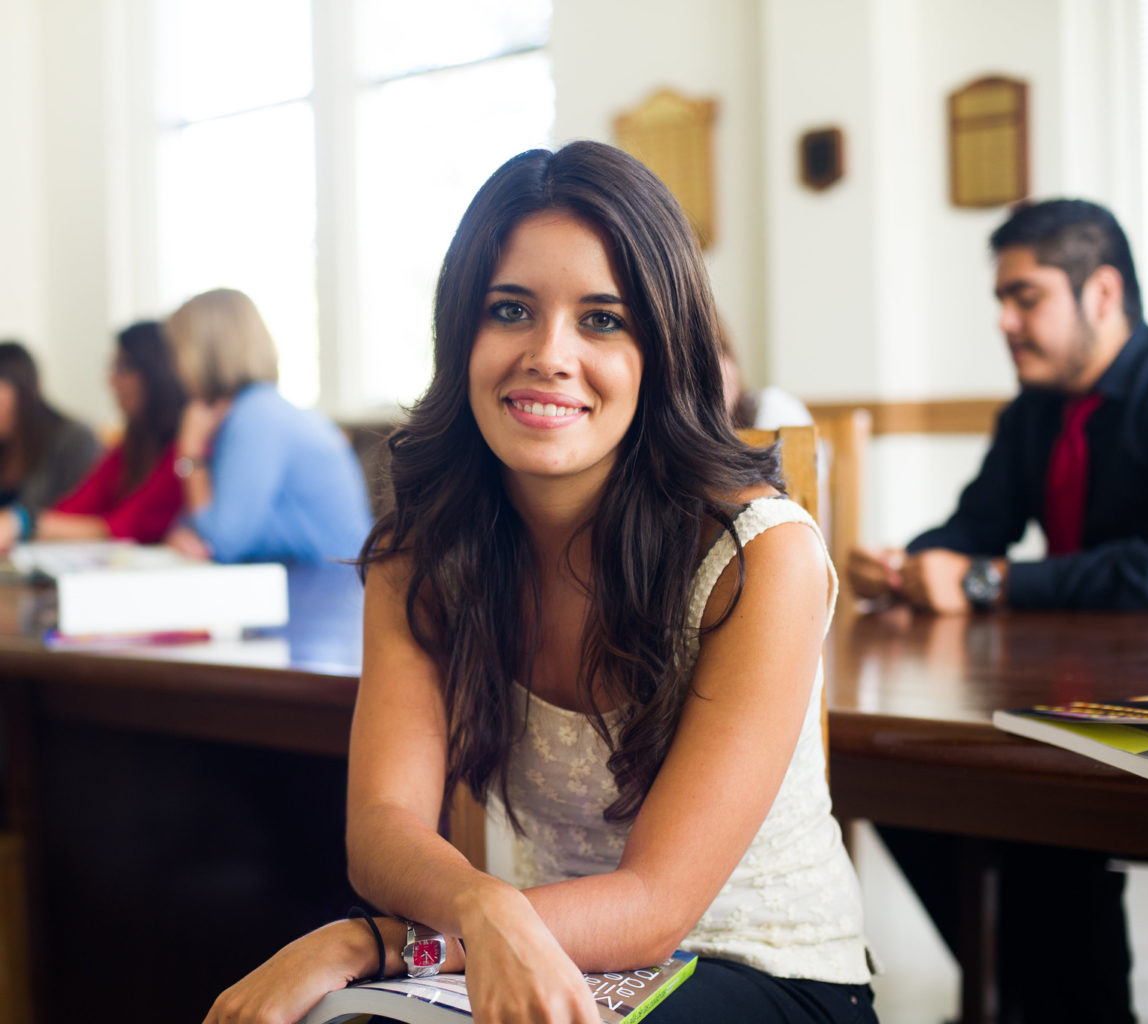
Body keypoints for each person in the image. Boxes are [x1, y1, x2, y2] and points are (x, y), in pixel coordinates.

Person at [204, 141, 877, 1024]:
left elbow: (653, 909)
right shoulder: (420, 553)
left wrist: (368, 943)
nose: (549, 354)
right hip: (538, 959)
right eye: (510, 310)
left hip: (765, 974)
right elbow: (380, 829)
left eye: (602, 319)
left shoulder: (758, 557)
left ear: (660, 348)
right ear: (462, 334)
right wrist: (482, 912)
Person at [846, 198, 1148, 1024]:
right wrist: (906, 564)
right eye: (1002, 299)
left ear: (1101, 294)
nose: (1004, 320)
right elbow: (977, 526)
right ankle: (1033, 998)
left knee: (1035, 819)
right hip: (1055, 690)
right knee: (908, 780)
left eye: (1025, 297)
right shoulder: (1032, 408)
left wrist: (989, 584)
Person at [161, 288, 373, 564]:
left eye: (176, 352)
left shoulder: (256, 418)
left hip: (327, 588)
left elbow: (221, 543)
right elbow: (195, 528)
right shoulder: (252, 411)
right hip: (311, 578)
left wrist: (191, 455)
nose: (174, 368)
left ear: (202, 353)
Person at [29, 321, 187, 545]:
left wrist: (24, 523)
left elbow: (124, 527)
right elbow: (75, 507)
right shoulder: (132, 445)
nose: (111, 380)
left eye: (123, 368)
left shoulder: (184, 448)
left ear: (157, 373)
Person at [0, 339, 101, 550]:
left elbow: (89, 521)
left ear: (22, 390)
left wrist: (21, 524)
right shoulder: (5, 446)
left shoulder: (74, 441)